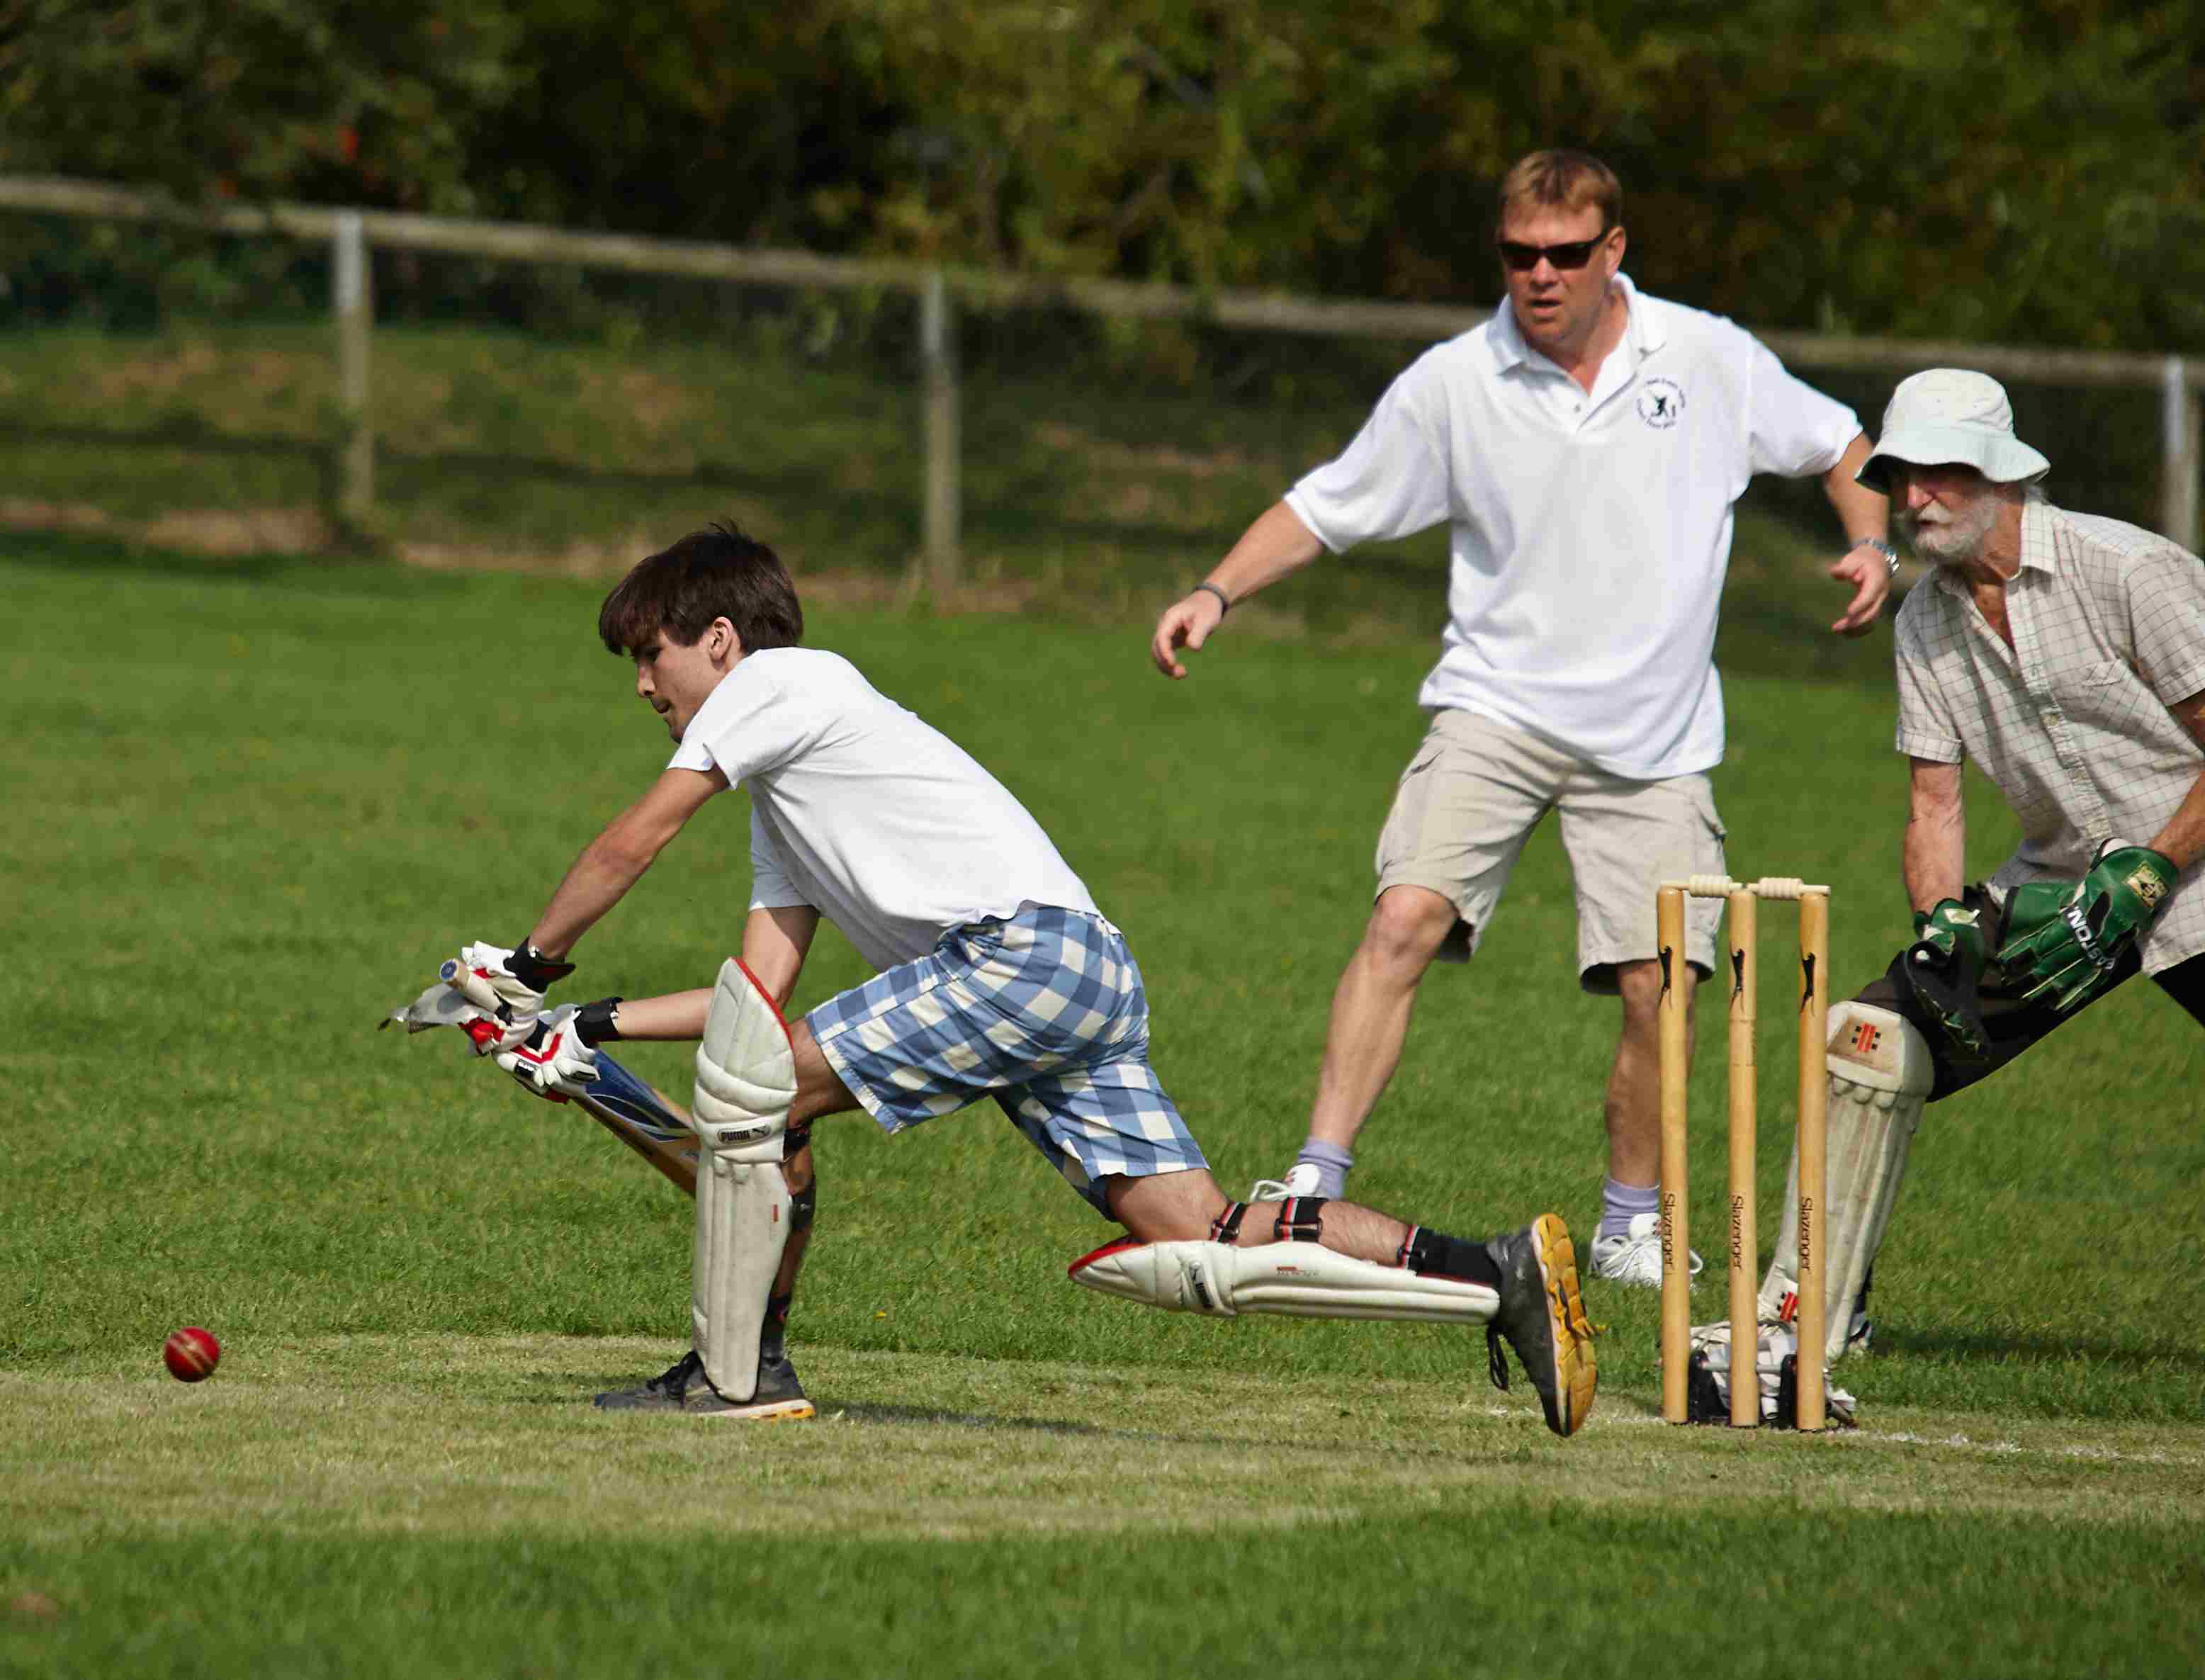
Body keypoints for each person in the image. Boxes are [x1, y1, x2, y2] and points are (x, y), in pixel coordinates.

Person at [431, 522, 1598, 1433]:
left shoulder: (781, 687)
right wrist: (579, 1030)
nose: (645, 684)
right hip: (1073, 973)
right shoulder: (790, 799)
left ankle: (740, 1370)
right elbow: (753, 1003)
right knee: (1201, 1232)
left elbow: (635, 841)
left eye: (653, 655)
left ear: (723, 642)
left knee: (764, 1098)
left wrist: (527, 965)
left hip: (1018, 960)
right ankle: (1492, 1274)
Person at [1148, 149, 1893, 1287]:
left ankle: (1632, 1224)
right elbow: (1327, 505)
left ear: (1614, 252)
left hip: (1652, 741)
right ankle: (1312, 1187)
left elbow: (1844, 445)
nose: (1539, 276)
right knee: (1403, 917)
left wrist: (1873, 541)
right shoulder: (1458, 380)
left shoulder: (1703, 356)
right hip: (1494, 707)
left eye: (1563, 254)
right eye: (1517, 255)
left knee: (1660, 984)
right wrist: (1214, 591)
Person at [1691, 368, 2205, 1408]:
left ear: (2004, 476)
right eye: (1903, 475)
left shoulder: (2131, 572)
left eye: (1942, 474)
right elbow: (1934, 807)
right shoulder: (1925, 621)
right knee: (1867, 1042)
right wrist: (1945, 925)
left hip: (2196, 863)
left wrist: (2152, 871)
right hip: (2060, 885)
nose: (1917, 496)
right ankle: (1803, 1315)